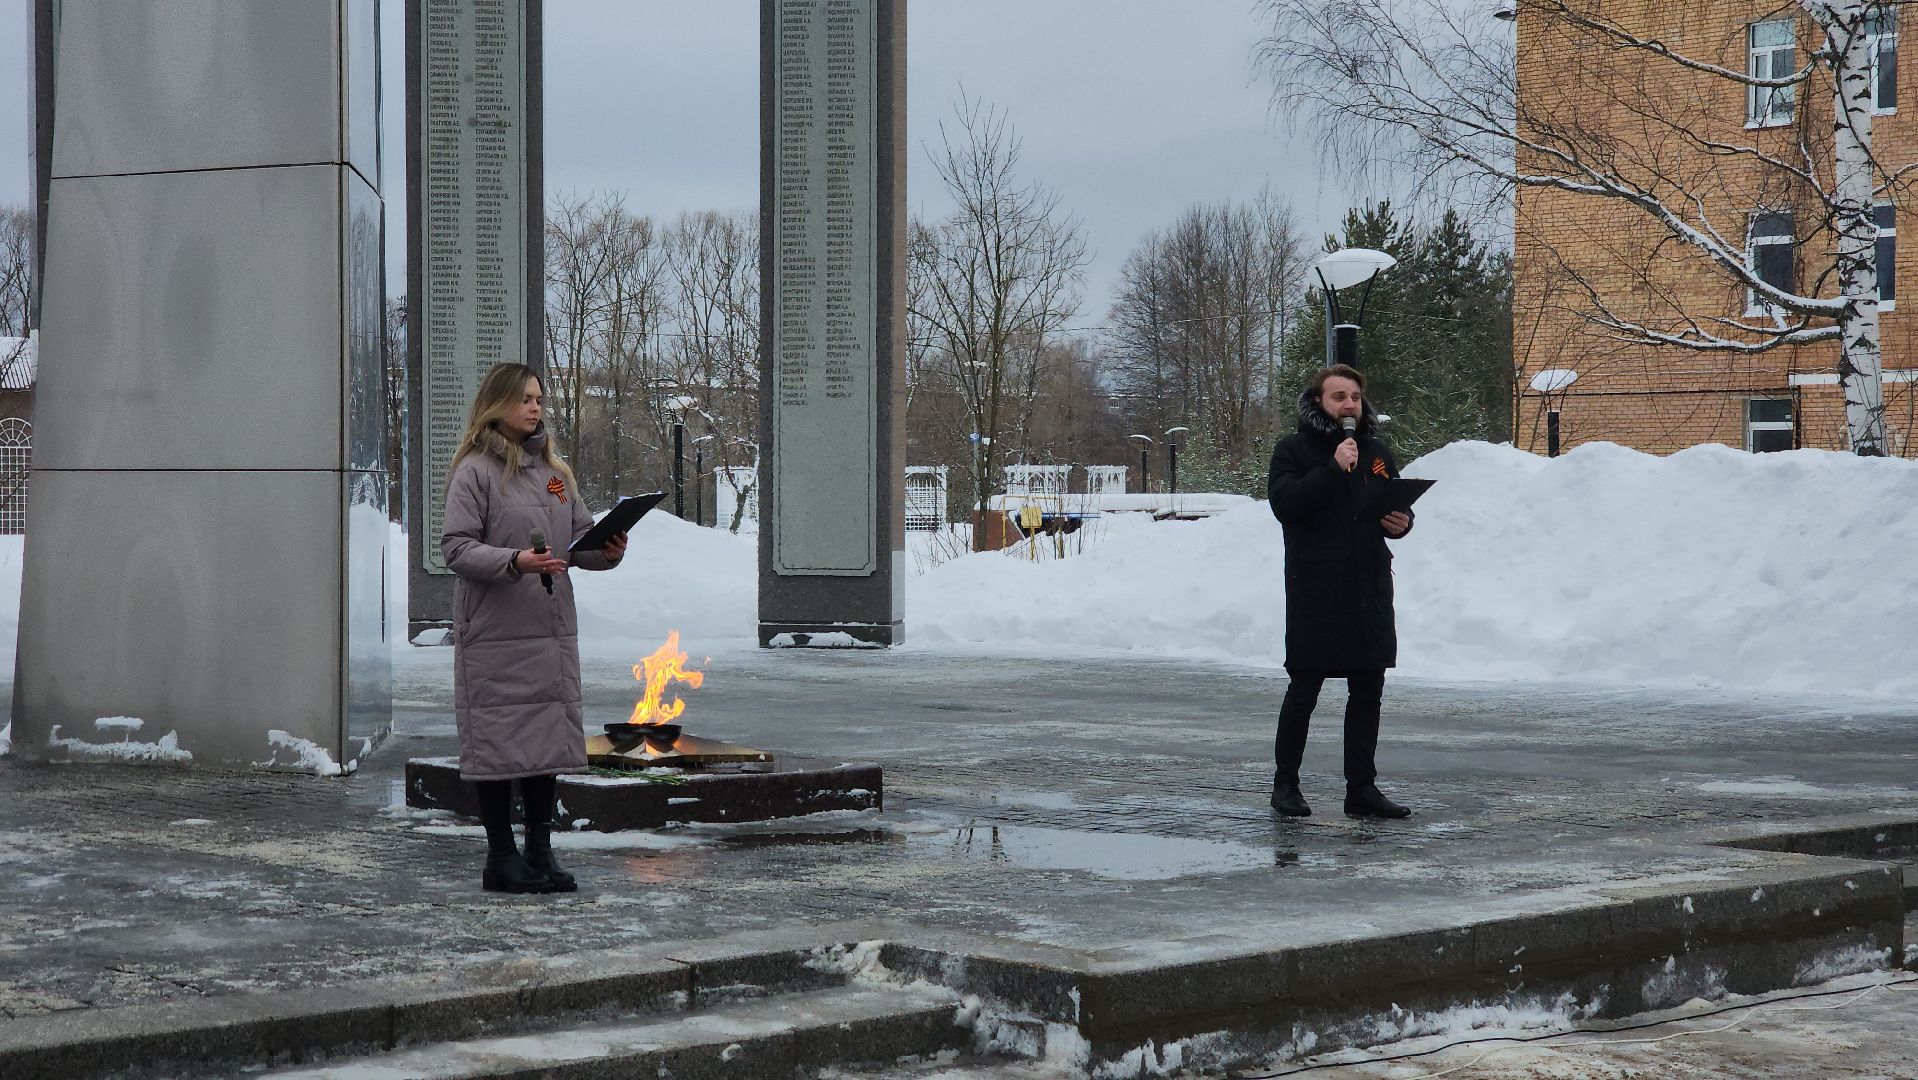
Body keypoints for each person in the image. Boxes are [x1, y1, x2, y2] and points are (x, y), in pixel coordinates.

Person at [441, 363, 629, 894]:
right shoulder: (475, 472)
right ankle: (501, 857)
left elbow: (580, 541)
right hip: (496, 635)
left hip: (548, 632)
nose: (536, 408)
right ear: (497, 403)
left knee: (544, 742)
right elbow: (455, 548)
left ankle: (539, 851)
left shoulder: (554, 473)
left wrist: (607, 550)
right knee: (500, 744)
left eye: (540, 400)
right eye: (525, 398)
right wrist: (516, 561)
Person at [1265, 363, 1414, 820]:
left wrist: (1402, 523)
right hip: (1316, 590)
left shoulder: (1375, 451)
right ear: (1317, 402)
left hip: (1367, 588)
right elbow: (1286, 505)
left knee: (1368, 691)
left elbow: (1393, 505)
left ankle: (1361, 789)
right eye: (1338, 396)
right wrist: (1332, 468)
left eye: (1354, 396)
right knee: (1304, 690)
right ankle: (1286, 786)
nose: (1349, 404)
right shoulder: (1293, 450)